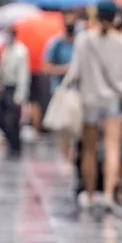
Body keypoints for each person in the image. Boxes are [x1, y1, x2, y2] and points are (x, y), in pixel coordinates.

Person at [68, 0, 122, 211]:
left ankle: (88, 194)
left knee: (89, 148)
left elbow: (75, 71)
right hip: (114, 98)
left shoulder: (84, 39)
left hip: (90, 98)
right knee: (113, 147)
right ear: (115, 17)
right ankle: (107, 195)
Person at [44, 20, 78, 163]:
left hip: (77, 91)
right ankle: (65, 155)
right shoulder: (56, 44)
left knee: (75, 124)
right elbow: (47, 67)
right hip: (60, 90)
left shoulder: (80, 43)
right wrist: (65, 69)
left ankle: (72, 154)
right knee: (62, 126)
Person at [0, 28, 31, 157]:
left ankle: (16, 146)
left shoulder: (21, 51)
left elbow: (23, 74)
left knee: (13, 120)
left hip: (15, 88)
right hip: (5, 87)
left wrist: (20, 94)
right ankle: (11, 141)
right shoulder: (6, 50)